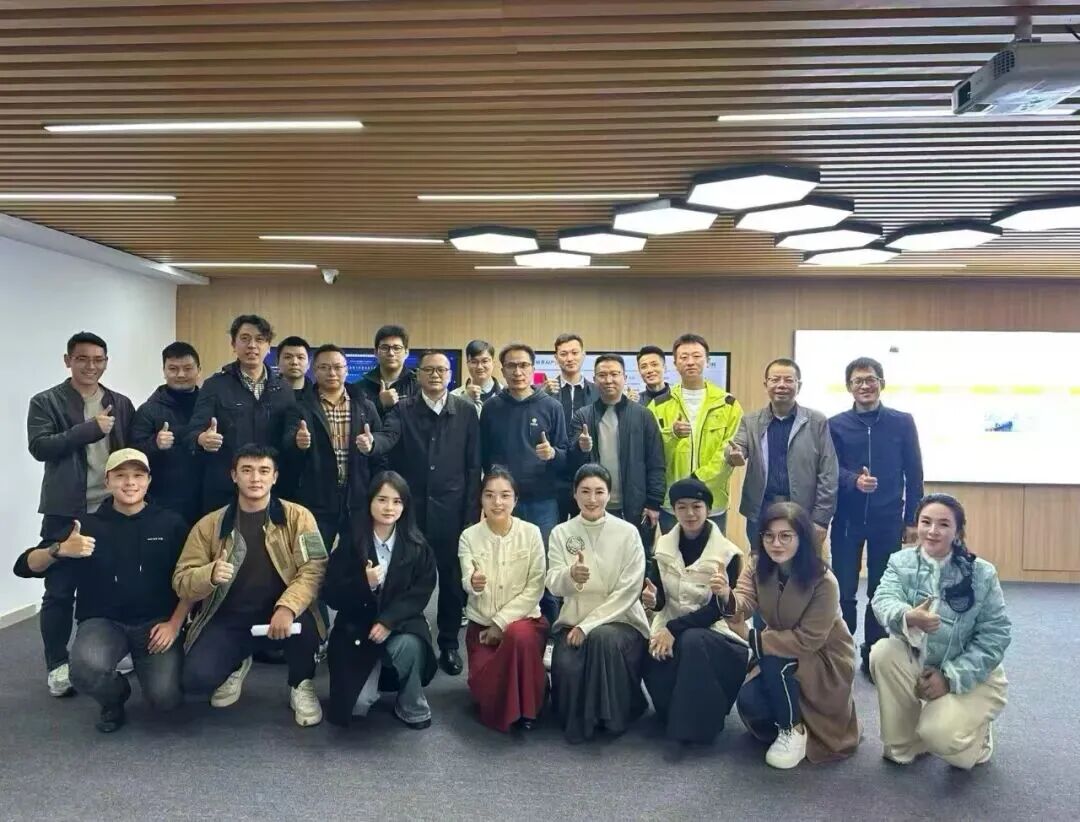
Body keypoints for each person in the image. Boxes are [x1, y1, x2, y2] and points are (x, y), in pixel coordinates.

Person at [13, 449, 191, 732]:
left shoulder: (171, 523)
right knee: (83, 669)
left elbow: (191, 581)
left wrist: (174, 624)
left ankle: (149, 673)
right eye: (120, 476)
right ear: (107, 482)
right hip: (104, 623)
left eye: (137, 476)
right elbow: (24, 566)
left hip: (156, 625)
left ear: (148, 481)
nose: (129, 483)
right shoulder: (84, 526)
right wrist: (59, 549)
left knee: (166, 699)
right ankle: (115, 697)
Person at [172, 444, 327, 727]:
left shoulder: (298, 517)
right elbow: (182, 581)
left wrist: (287, 607)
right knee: (195, 680)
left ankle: (300, 683)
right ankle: (238, 661)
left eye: (264, 471)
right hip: (230, 617)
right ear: (234, 476)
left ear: (275, 477)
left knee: (306, 628)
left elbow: (314, 569)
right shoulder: (210, 525)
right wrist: (209, 574)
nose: (255, 478)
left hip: (283, 615)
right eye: (247, 470)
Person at [27, 330, 136, 696]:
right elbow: (40, 447)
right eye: (83, 359)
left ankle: (114, 650)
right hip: (66, 510)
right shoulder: (46, 401)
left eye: (98, 360)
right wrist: (88, 430)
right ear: (68, 360)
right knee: (60, 591)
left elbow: (131, 451)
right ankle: (57, 664)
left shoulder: (119, 402)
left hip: (111, 508)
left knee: (114, 583)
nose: (91, 366)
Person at [870, 494, 1009, 769]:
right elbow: (883, 599)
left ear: (958, 532)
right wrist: (907, 615)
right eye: (926, 522)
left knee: (943, 739)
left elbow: (996, 635)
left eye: (943, 524)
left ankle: (980, 737)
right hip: (920, 663)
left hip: (971, 674)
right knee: (883, 652)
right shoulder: (900, 561)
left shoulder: (982, 573)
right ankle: (907, 742)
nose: (932, 531)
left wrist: (949, 677)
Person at [725, 502, 860, 768]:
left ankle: (793, 729)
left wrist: (751, 637)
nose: (776, 543)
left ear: (802, 538)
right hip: (780, 646)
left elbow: (808, 640)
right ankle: (790, 720)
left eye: (785, 536)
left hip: (824, 657)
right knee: (750, 702)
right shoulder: (757, 565)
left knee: (773, 658)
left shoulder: (824, 581)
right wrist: (725, 597)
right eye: (769, 536)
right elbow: (744, 599)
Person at [372, 350, 481, 675]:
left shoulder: (465, 411)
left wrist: (471, 514)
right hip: (410, 513)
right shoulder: (402, 409)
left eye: (442, 370)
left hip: (452, 511)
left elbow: (473, 465)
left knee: (451, 584)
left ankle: (448, 644)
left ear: (450, 375)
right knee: (405, 579)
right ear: (417, 374)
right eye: (429, 370)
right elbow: (387, 444)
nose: (435, 375)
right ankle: (406, 639)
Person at [829, 357, 924, 675]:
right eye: (858, 381)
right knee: (843, 590)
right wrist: (853, 480)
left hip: (888, 519)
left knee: (880, 591)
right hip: (847, 519)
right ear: (849, 387)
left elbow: (914, 472)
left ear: (882, 383)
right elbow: (830, 469)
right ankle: (842, 651)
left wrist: (912, 519)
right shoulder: (835, 424)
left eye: (871, 379)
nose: (865, 386)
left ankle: (873, 653)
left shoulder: (902, 422)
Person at [323, 472, 437, 729]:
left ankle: (410, 703)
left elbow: (420, 592)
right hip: (356, 629)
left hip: (400, 625)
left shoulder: (417, 545)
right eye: (382, 500)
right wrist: (364, 582)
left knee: (412, 644)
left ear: (405, 506)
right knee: (358, 706)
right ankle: (372, 678)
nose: (389, 508)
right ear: (370, 502)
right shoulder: (351, 541)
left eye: (397, 501)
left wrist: (389, 621)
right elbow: (330, 593)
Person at [546, 464, 650, 743]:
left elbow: (630, 590)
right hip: (574, 619)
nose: (592, 499)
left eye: (599, 492)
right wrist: (570, 576)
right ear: (574, 494)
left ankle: (614, 718)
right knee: (568, 665)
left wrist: (588, 626)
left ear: (609, 494)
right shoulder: (561, 532)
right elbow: (553, 583)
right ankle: (580, 719)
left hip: (622, 621)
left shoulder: (628, 532)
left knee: (603, 639)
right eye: (585, 492)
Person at [640, 477, 749, 744]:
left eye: (697, 506)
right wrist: (653, 600)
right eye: (682, 507)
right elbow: (661, 598)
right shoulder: (663, 546)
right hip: (670, 625)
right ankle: (675, 714)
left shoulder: (727, 554)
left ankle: (698, 727)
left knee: (692, 641)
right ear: (674, 510)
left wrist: (673, 629)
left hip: (716, 632)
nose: (690, 513)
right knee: (644, 648)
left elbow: (718, 611)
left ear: (708, 509)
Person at [458, 467, 547, 732]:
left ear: (515, 500)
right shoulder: (469, 536)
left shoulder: (531, 533)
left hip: (524, 622)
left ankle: (528, 708)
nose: (497, 502)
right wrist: (474, 583)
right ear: (481, 499)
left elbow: (536, 587)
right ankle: (528, 690)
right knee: (483, 688)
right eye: (490, 495)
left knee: (519, 636)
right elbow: (467, 579)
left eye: (505, 495)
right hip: (482, 628)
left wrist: (501, 623)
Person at [186, 314, 296, 513]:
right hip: (224, 488)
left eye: (259, 339)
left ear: (268, 346)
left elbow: (288, 437)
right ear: (233, 344)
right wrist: (201, 439)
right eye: (245, 339)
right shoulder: (215, 385)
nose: (252, 345)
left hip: (270, 487)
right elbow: (192, 431)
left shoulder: (284, 389)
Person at [726, 358, 838, 551]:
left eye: (788, 380)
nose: (781, 385)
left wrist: (821, 519)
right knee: (761, 561)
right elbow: (737, 447)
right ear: (766, 384)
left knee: (801, 564)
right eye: (775, 379)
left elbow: (828, 472)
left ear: (799, 385)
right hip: (761, 509)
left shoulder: (816, 421)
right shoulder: (751, 421)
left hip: (802, 510)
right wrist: (733, 454)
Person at [283, 343, 385, 551]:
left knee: (357, 558)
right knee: (313, 558)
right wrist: (297, 443)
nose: (332, 373)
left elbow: (380, 452)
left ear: (346, 370)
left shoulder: (365, 406)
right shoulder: (300, 407)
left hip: (357, 499)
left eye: (338, 367)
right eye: (324, 367)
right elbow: (286, 446)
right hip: (316, 500)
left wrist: (372, 446)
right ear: (314, 370)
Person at [568, 353, 665, 550]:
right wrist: (581, 448)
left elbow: (656, 462)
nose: (608, 380)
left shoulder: (643, 415)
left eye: (614, 374)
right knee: (595, 556)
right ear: (594, 380)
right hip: (594, 504)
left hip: (635, 507)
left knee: (635, 557)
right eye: (602, 375)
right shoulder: (583, 416)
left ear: (625, 378)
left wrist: (654, 503)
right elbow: (571, 461)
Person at [650, 334, 742, 534]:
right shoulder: (658, 405)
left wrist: (697, 479)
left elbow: (727, 451)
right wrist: (672, 435)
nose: (690, 362)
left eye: (697, 356)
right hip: (672, 502)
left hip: (712, 500)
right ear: (675, 363)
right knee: (673, 552)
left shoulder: (728, 404)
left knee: (712, 553)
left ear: (707, 360)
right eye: (684, 357)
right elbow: (652, 452)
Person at [480, 342, 568, 548]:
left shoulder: (552, 406)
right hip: (502, 501)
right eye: (511, 366)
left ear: (533, 368)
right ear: (503, 370)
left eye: (523, 365)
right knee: (503, 556)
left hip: (543, 501)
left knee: (542, 557)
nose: (517, 372)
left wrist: (552, 453)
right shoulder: (491, 407)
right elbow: (482, 455)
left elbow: (565, 455)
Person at [131, 341, 203, 525]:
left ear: (199, 370)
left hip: (207, 497)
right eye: (173, 369)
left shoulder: (210, 406)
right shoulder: (148, 410)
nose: (181, 374)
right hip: (163, 500)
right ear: (164, 371)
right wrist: (154, 444)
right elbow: (132, 453)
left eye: (188, 368)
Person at [544, 333, 599, 523]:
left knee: (585, 530)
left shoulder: (597, 392)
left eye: (575, 353)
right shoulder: (544, 391)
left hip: (587, 472)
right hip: (553, 474)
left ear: (583, 355)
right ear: (556, 357)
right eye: (564, 354)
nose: (570, 358)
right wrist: (544, 395)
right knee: (553, 532)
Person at [354, 324, 419, 419]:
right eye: (385, 348)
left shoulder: (418, 386)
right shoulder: (359, 388)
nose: (391, 353)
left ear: (406, 352)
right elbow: (356, 421)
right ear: (376, 352)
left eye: (396, 348)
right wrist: (380, 403)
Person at [450, 338, 501, 415]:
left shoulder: (507, 395)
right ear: (467, 364)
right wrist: (465, 399)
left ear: (493, 363)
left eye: (485, 361)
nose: (479, 367)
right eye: (474, 362)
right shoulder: (454, 396)